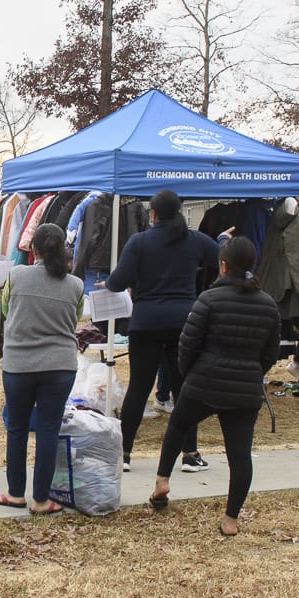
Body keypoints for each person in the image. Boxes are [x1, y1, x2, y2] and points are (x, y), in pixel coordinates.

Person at [151, 236, 281, 536]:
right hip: (245, 389)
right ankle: (231, 519)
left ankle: (162, 482)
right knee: (240, 455)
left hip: (203, 382)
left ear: (222, 266)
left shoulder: (208, 299)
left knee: (178, 426)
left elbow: (187, 344)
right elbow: (270, 353)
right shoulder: (268, 305)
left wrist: (190, 374)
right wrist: (252, 372)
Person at [106, 189, 219, 472]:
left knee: (139, 387)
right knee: (184, 389)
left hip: (146, 322)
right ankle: (190, 454)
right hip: (184, 322)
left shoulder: (139, 242)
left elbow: (117, 282)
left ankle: (125, 453)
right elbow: (223, 257)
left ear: (152, 214)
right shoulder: (194, 240)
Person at [0, 224, 83, 516]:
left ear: (34, 250)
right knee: (48, 429)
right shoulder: (76, 285)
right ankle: (41, 499)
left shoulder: (16, 276)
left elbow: (7, 312)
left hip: (19, 365)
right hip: (60, 365)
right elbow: (75, 318)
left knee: (17, 429)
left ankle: (15, 493)